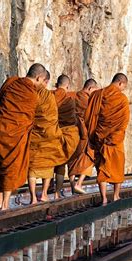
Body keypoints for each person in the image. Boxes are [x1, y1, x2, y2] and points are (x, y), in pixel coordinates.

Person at [0, 63, 48, 210]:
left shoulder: (11, 82)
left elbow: (1, 95)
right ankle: (5, 204)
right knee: (12, 165)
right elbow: (30, 117)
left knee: (0, 163)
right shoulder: (32, 95)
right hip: (16, 133)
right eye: (42, 81)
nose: (41, 85)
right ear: (38, 77)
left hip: (0, 128)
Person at [28, 72, 79, 204]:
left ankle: (33, 197)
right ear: (67, 86)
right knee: (55, 165)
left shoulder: (48, 95)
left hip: (39, 134)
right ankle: (53, 193)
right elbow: (72, 120)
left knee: (34, 165)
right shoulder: (69, 100)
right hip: (56, 135)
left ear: (56, 85)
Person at [84, 73, 130, 205]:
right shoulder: (122, 100)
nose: (123, 89)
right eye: (124, 86)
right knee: (117, 166)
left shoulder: (97, 95)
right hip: (115, 140)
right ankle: (115, 196)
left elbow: (88, 117)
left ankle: (104, 198)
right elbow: (123, 123)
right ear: (120, 83)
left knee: (102, 168)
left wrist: (94, 135)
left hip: (100, 137)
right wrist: (116, 135)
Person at [67, 79, 99, 194]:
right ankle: (79, 183)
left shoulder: (73, 96)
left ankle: (72, 184)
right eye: (94, 91)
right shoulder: (86, 100)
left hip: (71, 132)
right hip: (84, 134)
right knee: (89, 157)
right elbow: (90, 118)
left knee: (72, 159)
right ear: (90, 89)